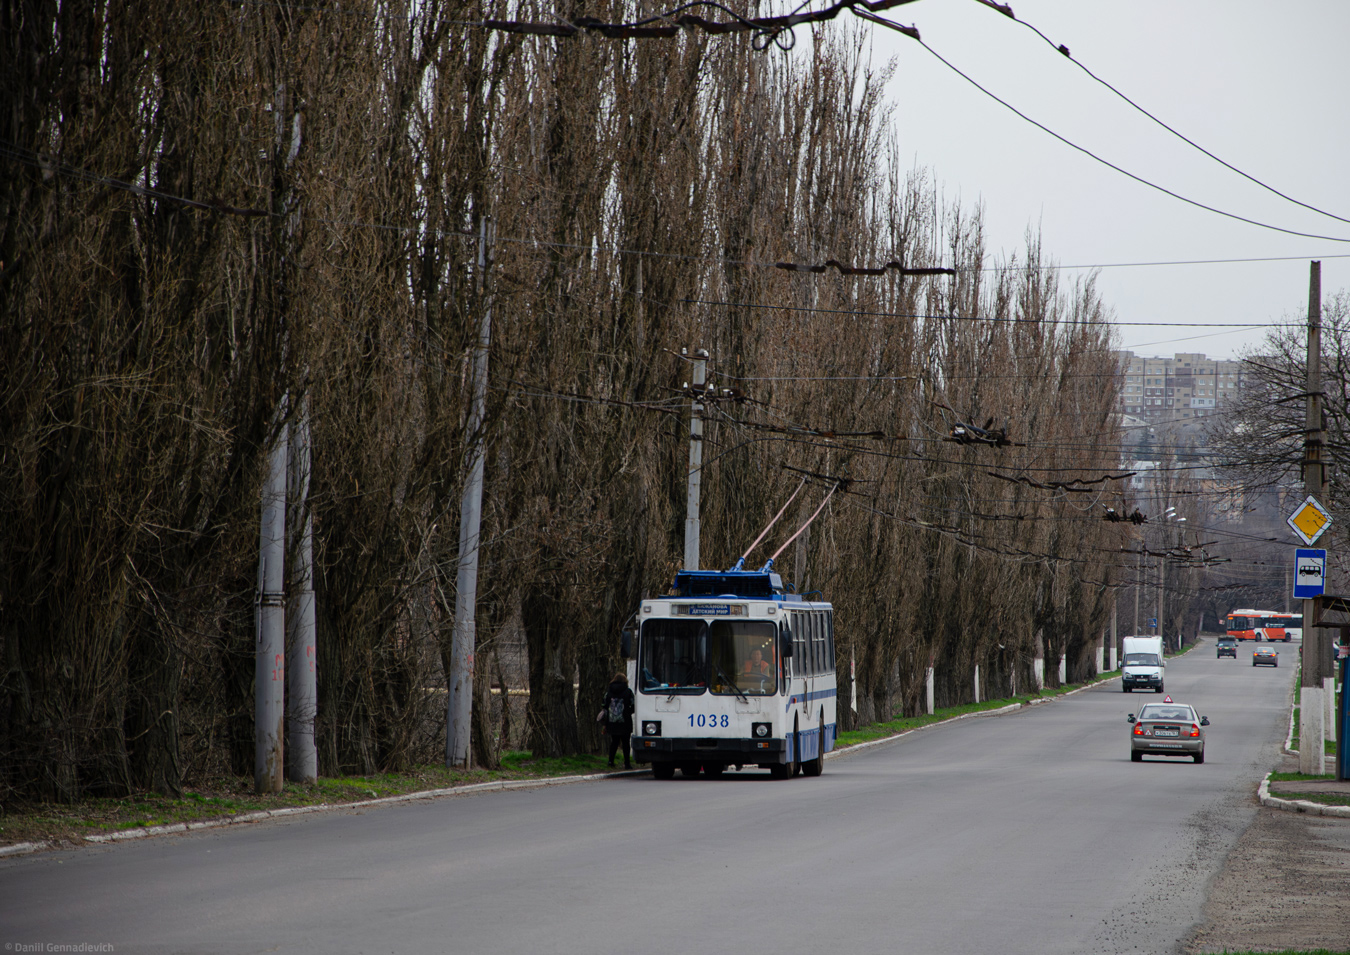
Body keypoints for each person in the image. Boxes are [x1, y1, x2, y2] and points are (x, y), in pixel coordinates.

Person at [602, 672, 635, 769]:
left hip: (612, 721)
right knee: (625, 743)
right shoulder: (628, 692)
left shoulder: (609, 692)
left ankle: (610, 761)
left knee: (614, 742)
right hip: (625, 721)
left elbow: (604, 705)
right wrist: (628, 712)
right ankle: (627, 763)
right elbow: (633, 705)